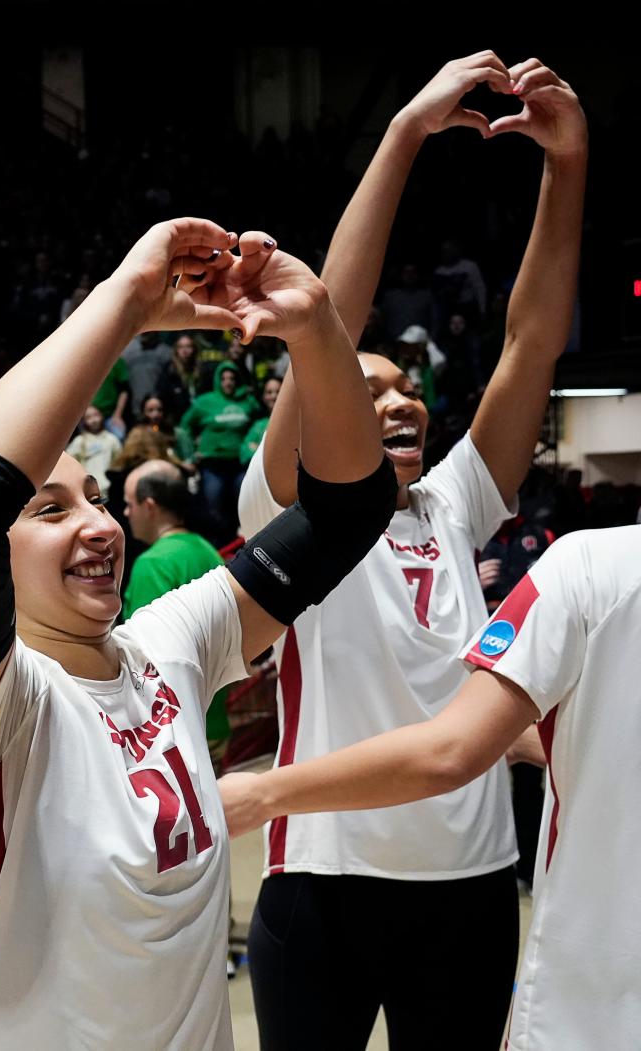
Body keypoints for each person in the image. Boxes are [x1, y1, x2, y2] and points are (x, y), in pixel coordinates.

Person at [0, 221, 397, 1048]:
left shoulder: (170, 641)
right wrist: (126, 303)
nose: (101, 526)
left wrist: (315, 323)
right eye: (50, 508)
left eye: (98, 497)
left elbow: (347, 510)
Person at [234, 54, 586, 1050]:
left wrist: (568, 165)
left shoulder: (455, 499)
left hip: (471, 882)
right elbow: (323, 322)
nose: (397, 400)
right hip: (323, 881)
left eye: (407, 388)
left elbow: (530, 344)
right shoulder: (293, 506)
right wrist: (402, 136)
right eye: (368, 384)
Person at [219, 524, 633, 1050]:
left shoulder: (587, 563)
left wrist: (263, 794)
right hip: (331, 866)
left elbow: (451, 751)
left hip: (553, 949)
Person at [121, 459, 223, 619]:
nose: (126, 513)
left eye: (130, 505)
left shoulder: (153, 563)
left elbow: (142, 640)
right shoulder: (207, 549)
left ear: (149, 507)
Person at [181, 360, 261, 544]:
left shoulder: (249, 402)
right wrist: (191, 453)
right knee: (212, 505)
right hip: (212, 465)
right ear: (218, 380)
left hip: (240, 464)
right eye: (224, 378)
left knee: (245, 503)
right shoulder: (204, 402)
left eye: (232, 378)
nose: (228, 382)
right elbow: (185, 427)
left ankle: (243, 542)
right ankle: (216, 545)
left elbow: (260, 423)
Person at [65, 403, 122, 496]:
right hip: (88, 490)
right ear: (83, 421)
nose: (94, 420)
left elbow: (119, 462)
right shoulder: (79, 441)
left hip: (109, 488)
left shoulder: (111, 439)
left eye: (96, 415)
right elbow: (69, 462)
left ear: (102, 416)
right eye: (89, 417)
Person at [239, 375, 281, 468]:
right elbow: (244, 453)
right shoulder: (258, 425)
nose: (274, 396)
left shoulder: (296, 424)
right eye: (269, 392)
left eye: (278, 391)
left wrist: (258, 448)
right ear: (263, 397)